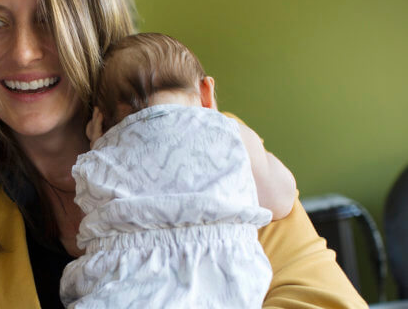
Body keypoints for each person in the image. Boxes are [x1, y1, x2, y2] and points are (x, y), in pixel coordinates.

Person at [0, 0, 368, 308]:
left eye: (50, 18)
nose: (22, 51)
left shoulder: (213, 147)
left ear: (95, 21)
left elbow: (327, 300)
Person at [60, 33, 296, 308]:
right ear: (206, 93)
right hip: (219, 279)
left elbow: (89, 232)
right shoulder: (229, 132)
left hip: (123, 284)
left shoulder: (99, 157)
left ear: (101, 120)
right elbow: (281, 199)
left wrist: (98, 146)